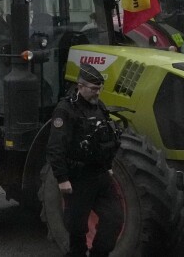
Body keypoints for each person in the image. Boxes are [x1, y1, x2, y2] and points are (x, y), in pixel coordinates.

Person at [46, 63, 123, 257]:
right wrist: (62, 179)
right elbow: (56, 147)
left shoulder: (99, 107)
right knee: (77, 228)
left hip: (100, 174)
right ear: (80, 86)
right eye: (94, 89)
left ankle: (99, 253)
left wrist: (108, 166)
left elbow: (105, 139)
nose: (97, 93)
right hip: (78, 178)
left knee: (115, 218)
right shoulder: (65, 110)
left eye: (99, 88)